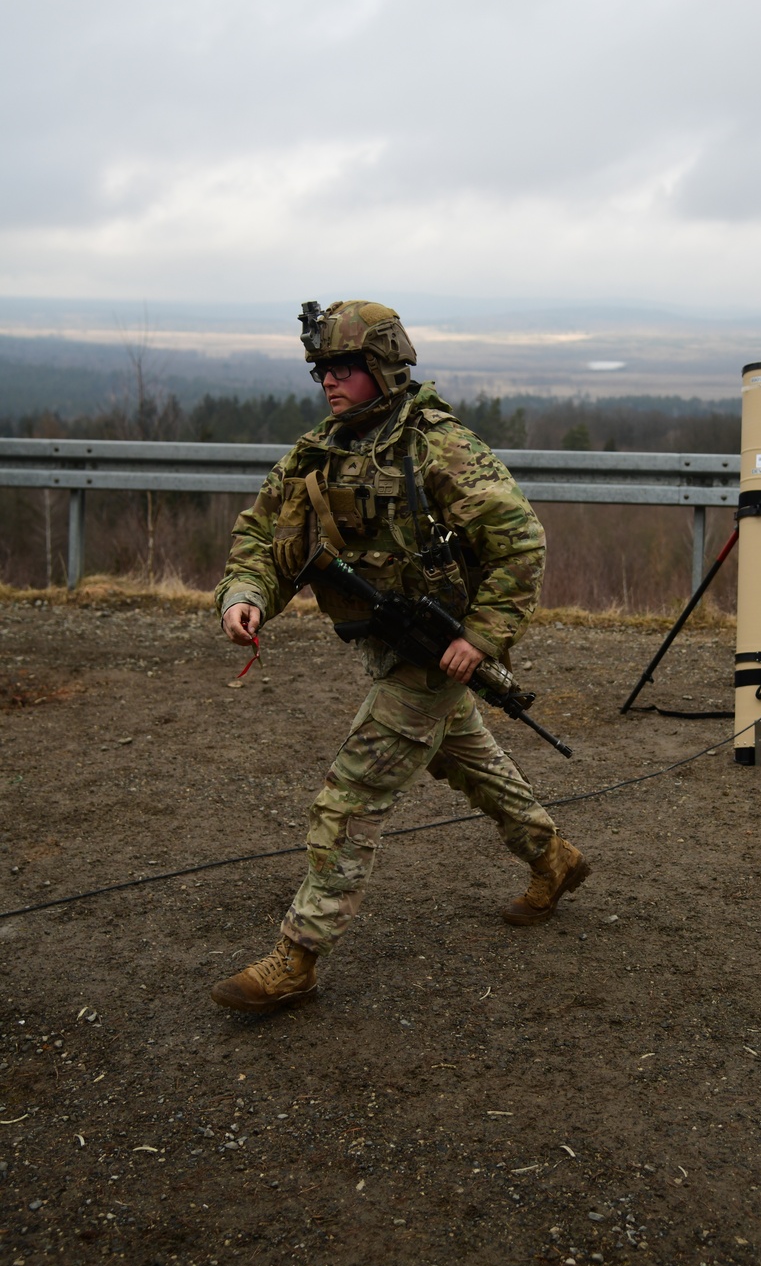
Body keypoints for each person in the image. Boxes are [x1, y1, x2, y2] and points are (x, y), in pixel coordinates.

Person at [210, 299, 590, 1014]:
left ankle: (298, 956)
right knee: (462, 755)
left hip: (434, 651)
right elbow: (265, 535)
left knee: (350, 797)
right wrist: (247, 594)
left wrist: (479, 638)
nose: (330, 380)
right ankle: (553, 858)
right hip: (391, 648)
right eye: (323, 368)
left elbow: (521, 541)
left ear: (383, 367)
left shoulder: (436, 446)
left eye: (345, 367)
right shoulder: (320, 451)